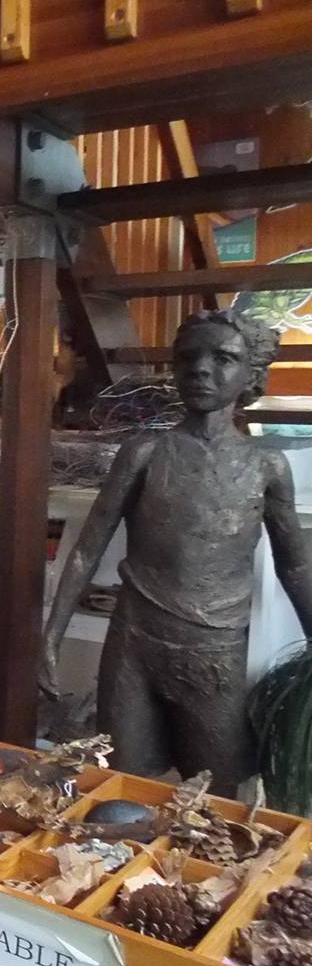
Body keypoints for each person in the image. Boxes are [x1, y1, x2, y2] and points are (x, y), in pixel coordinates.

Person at [40, 309, 312, 795]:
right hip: (135, 644)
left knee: (221, 790)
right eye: (188, 358)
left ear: (251, 374)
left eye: (223, 358)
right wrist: (50, 637)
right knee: (124, 783)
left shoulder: (265, 467)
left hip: (213, 651)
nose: (201, 369)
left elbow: (296, 564)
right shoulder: (144, 452)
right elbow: (86, 550)